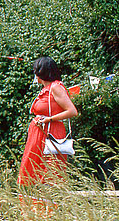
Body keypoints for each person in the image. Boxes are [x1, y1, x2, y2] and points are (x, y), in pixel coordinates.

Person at [18, 56, 79, 185]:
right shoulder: (46, 88)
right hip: (39, 133)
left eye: (36, 71)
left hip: (50, 133)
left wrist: (49, 119)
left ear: (41, 72)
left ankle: (49, 203)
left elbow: (72, 111)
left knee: (50, 172)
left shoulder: (56, 87)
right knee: (34, 170)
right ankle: (35, 203)